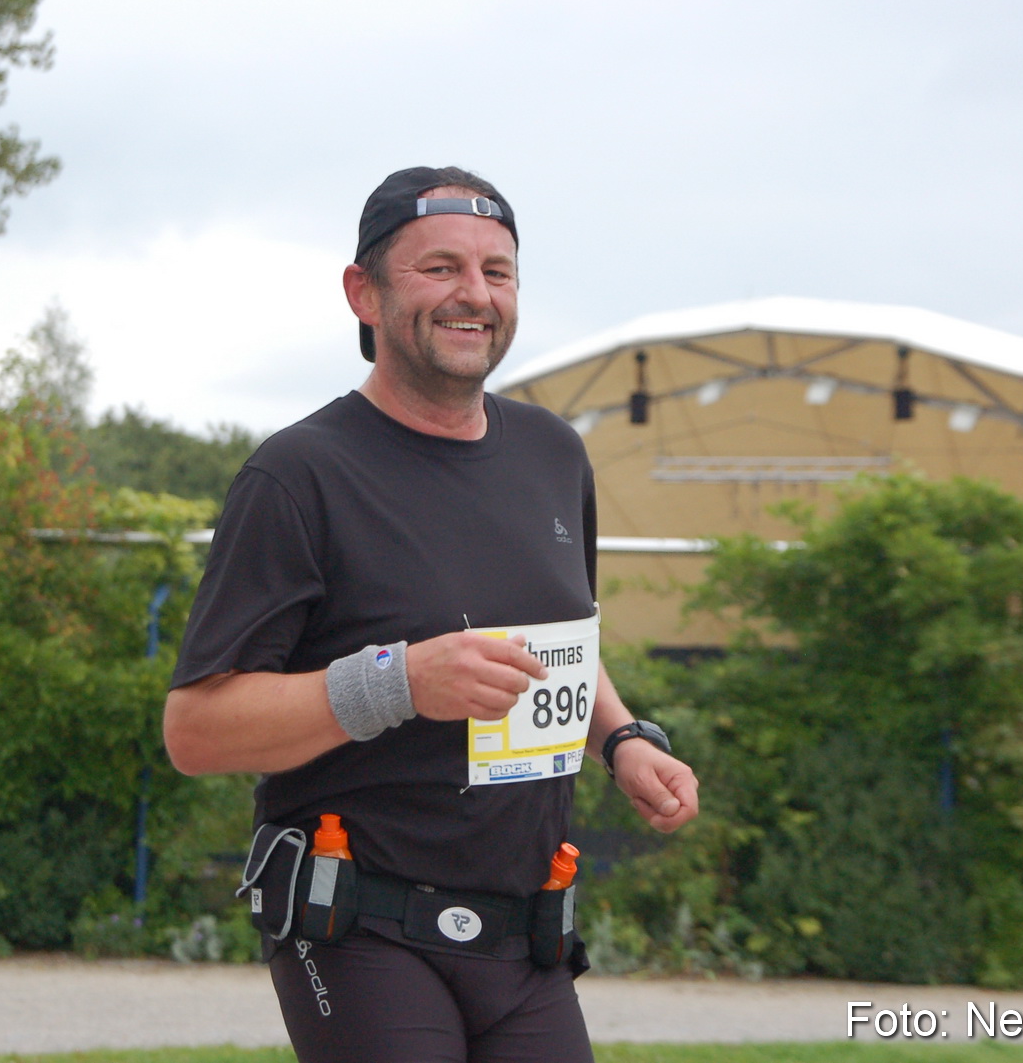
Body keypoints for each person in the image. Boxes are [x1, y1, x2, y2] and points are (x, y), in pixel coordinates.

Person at [164, 165, 700, 1063]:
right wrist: (398, 682)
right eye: (440, 267)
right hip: (359, 923)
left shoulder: (553, 452)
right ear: (362, 292)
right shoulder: (298, 475)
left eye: (498, 271)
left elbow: (562, 637)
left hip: (526, 930)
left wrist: (622, 738)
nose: (474, 294)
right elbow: (196, 731)